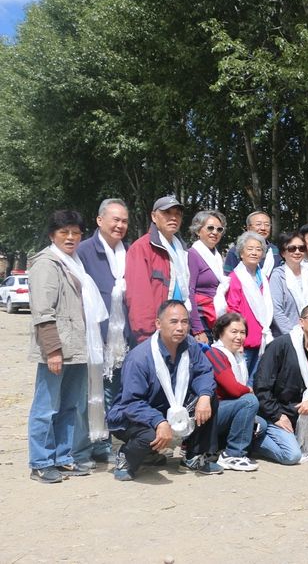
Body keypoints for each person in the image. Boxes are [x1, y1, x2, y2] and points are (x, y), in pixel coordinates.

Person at [28, 210, 105, 483]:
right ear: (53, 235)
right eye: (64, 232)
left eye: (75, 232)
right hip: (58, 349)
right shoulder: (46, 264)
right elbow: (43, 312)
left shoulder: (74, 262)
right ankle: (40, 462)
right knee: (46, 408)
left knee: (70, 406)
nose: (71, 237)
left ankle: (63, 457)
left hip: (78, 347)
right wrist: (52, 350)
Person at [107, 300, 221, 480]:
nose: (180, 328)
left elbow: (204, 372)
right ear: (158, 324)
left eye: (185, 322)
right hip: (131, 415)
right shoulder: (140, 357)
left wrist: (205, 396)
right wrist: (159, 421)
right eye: (174, 322)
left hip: (166, 407)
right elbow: (132, 402)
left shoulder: (190, 345)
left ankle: (193, 456)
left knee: (209, 397)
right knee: (150, 435)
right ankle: (127, 457)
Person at [252, 303, 308, 465]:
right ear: (301, 321)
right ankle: (256, 442)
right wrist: (277, 416)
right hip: (276, 412)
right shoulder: (280, 345)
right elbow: (261, 386)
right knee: (292, 456)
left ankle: (299, 440)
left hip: (301, 409)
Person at [77, 198, 131, 465]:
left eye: (124, 221)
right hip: (95, 335)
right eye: (115, 220)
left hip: (122, 338)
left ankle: (104, 442)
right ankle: (89, 445)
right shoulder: (84, 251)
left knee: (115, 391)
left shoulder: (129, 252)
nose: (120, 225)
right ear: (100, 220)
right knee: (92, 391)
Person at [125, 195, 191, 346]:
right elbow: (138, 297)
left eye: (177, 214)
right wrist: (146, 337)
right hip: (154, 334)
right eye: (167, 213)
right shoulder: (142, 248)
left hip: (179, 329)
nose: (173, 218)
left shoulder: (182, 249)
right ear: (154, 217)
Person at [205, 312, 260, 471]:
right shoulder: (214, 354)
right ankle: (233, 454)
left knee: (261, 424)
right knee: (249, 402)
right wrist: (248, 390)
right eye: (234, 332)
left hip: (224, 410)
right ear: (221, 332)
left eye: (242, 332)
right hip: (209, 414)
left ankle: (222, 448)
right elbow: (234, 389)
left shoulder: (238, 357)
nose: (239, 337)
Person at [226, 232, 275, 376]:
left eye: (258, 249)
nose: (254, 252)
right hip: (243, 341)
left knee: (256, 381)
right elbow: (232, 310)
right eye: (250, 249)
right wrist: (238, 339)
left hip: (262, 339)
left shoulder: (264, 278)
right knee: (241, 379)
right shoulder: (235, 277)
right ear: (241, 253)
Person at [186, 210, 229, 343]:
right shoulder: (193, 255)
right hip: (201, 320)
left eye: (219, 229)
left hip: (215, 317)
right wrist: (198, 329)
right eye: (210, 228)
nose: (215, 232)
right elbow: (189, 291)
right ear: (198, 231)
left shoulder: (217, 257)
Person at [269, 231, 308, 338]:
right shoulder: (278, 276)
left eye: (301, 248)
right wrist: (296, 336)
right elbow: (276, 311)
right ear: (283, 253)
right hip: (287, 337)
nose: (297, 252)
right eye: (292, 248)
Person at [224, 211, 280, 275]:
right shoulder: (236, 251)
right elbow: (228, 277)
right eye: (258, 224)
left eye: (267, 225)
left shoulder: (276, 251)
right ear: (248, 228)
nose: (263, 228)